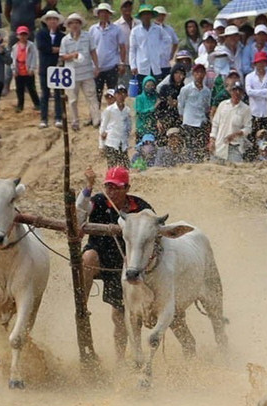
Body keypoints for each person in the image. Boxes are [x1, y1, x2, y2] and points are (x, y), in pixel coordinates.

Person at [76, 165, 153, 359]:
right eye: (108, 186)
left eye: (117, 187)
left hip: (126, 266)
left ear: (127, 188)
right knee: (87, 258)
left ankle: (120, 358)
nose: (112, 191)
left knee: (119, 317)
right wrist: (88, 187)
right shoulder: (99, 201)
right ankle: (81, 305)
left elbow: (153, 231)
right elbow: (79, 213)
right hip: (99, 257)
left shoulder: (140, 207)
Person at [60, 13, 99, 131]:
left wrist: (97, 66)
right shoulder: (65, 40)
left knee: (92, 96)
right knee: (72, 100)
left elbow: (93, 52)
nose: (75, 25)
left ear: (80, 24)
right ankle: (75, 122)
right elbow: (62, 56)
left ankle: (96, 120)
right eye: (72, 23)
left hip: (87, 71)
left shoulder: (87, 36)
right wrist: (72, 55)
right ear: (69, 25)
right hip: (71, 74)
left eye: (77, 22)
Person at [90, 3, 126, 108]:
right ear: (98, 14)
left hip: (111, 65)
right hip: (97, 67)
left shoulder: (116, 29)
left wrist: (122, 63)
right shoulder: (93, 29)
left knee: (113, 93)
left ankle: (114, 115)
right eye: (102, 13)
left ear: (109, 14)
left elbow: (122, 47)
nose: (104, 15)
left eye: (106, 13)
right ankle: (95, 117)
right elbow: (90, 48)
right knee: (96, 93)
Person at [209, 82, 251, 162]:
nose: (237, 93)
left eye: (239, 91)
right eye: (235, 90)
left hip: (235, 145)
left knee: (235, 170)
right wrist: (212, 140)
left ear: (242, 93)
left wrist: (236, 134)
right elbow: (215, 124)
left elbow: (248, 128)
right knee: (214, 170)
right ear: (231, 92)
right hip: (219, 144)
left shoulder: (246, 109)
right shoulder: (223, 105)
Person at [177, 63, 211, 160]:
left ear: (204, 74)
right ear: (193, 74)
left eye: (201, 72)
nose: (199, 75)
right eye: (197, 72)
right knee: (189, 147)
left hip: (201, 122)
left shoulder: (207, 91)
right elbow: (181, 104)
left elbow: (206, 106)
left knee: (200, 147)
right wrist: (182, 117)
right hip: (189, 121)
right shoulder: (186, 89)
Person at [37, 11, 65, 128]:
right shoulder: (41, 34)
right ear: (46, 21)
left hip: (58, 67)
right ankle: (44, 118)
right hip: (45, 67)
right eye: (50, 19)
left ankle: (58, 117)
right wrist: (56, 49)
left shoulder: (62, 36)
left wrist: (53, 49)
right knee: (45, 94)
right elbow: (43, 48)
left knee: (59, 93)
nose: (52, 21)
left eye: (55, 19)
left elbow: (64, 50)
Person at [129, 5, 171, 83]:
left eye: (148, 14)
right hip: (141, 66)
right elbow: (132, 49)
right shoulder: (135, 31)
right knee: (141, 91)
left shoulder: (158, 29)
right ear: (140, 16)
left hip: (155, 66)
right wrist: (133, 65)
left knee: (156, 90)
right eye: (144, 14)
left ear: (151, 15)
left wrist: (161, 52)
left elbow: (168, 40)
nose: (146, 16)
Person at [100, 83, 132, 167]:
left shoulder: (127, 110)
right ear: (115, 95)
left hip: (123, 143)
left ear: (126, 95)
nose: (121, 96)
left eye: (123, 93)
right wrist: (101, 145)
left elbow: (129, 127)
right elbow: (103, 127)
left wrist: (126, 138)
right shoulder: (109, 110)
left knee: (125, 168)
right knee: (112, 168)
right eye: (118, 93)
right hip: (111, 142)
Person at [12, 25, 40, 113]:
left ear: (27, 35)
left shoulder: (31, 46)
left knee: (32, 88)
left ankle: (37, 104)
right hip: (19, 70)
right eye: (21, 35)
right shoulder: (15, 47)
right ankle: (20, 105)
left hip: (28, 70)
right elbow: (13, 59)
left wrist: (32, 68)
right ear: (17, 36)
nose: (23, 37)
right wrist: (14, 70)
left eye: (24, 35)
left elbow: (34, 57)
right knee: (19, 89)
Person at [134, 74, 157, 140]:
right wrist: (153, 108)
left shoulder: (156, 98)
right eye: (148, 86)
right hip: (142, 129)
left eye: (152, 85)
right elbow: (140, 112)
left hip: (154, 128)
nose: (150, 87)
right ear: (144, 86)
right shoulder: (139, 98)